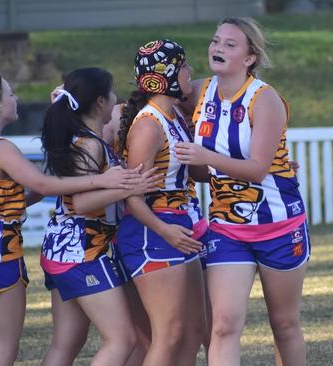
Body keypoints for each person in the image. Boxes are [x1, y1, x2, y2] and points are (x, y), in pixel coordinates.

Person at [0, 73, 141, 366]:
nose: (15, 99)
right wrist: (100, 181)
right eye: (11, 94)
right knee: (5, 347)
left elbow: (17, 196)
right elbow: (44, 186)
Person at [174, 17, 310, 366]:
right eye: (215, 40)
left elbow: (257, 169)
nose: (217, 48)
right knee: (222, 325)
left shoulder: (265, 100)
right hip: (227, 227)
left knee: (283, 324)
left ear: (250, 58)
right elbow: (153, 104)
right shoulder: (200, 92)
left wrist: (204, 156)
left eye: (230, 44)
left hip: (279, 224)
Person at [39, 68, 162, 366]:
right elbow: (80, 203)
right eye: (111, 94)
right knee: (122, 340)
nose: (115, 99)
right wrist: (127, 187)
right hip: (82, 252)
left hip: (61, 250)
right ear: (99, 102)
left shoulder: (85, 137)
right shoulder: (89, 144)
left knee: (66, 343)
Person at [114, 38, 206, 366]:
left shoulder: (177, 118)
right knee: (169, 333)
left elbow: (200, 173)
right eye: (183, 67)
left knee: (195, 330)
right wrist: (164, 231)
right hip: (154, 232)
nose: (190, 72)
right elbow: (132, 197)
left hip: (180, 226)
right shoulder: (149, 127)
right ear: (165, 75)